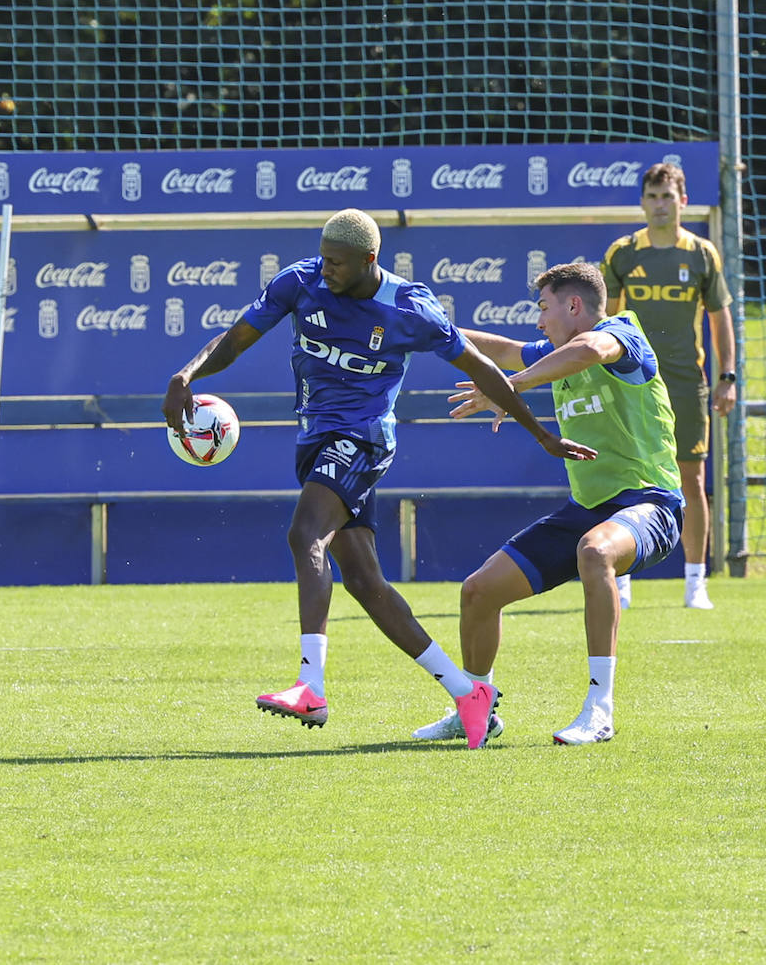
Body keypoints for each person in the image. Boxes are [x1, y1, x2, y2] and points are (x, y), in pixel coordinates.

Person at [162, 209, 595, 749]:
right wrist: (188, 373)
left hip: (363, 439)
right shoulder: (300, 283)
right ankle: (467, 692)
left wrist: (542, 435)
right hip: (316, 440)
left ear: (370, 260)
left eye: (338, 263)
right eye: (323, 258)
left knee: (304, 535)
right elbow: (237, 338)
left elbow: (483, 368)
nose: (327, 270)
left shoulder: (409, 308)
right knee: (366, 583)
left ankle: (310, 686)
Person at [412, 261, 683, 746]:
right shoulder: (553, 351)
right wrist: (431, 328)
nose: (539, 321)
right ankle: (476, 707)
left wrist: (509, 386)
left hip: (651, 505)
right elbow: (505, 350)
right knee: (478, 592)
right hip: (587, 510)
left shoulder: (620, 336)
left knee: (596, 551)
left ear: (574, 305)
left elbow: (589, 349)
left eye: (544, 308)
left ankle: (599, 711)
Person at [601, 162, 735, 610]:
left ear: (683, 200)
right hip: (632, 385)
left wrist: (727, 376)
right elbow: (608, 325)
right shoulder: (622, 252)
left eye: (668, 196)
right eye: (653, 196)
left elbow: (720, 318)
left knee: (692, 480)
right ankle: (620, 578)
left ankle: (695, 582)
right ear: (643, 201)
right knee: (626, 477)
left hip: (685, 383)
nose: (660, 204)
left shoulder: (701, 253)